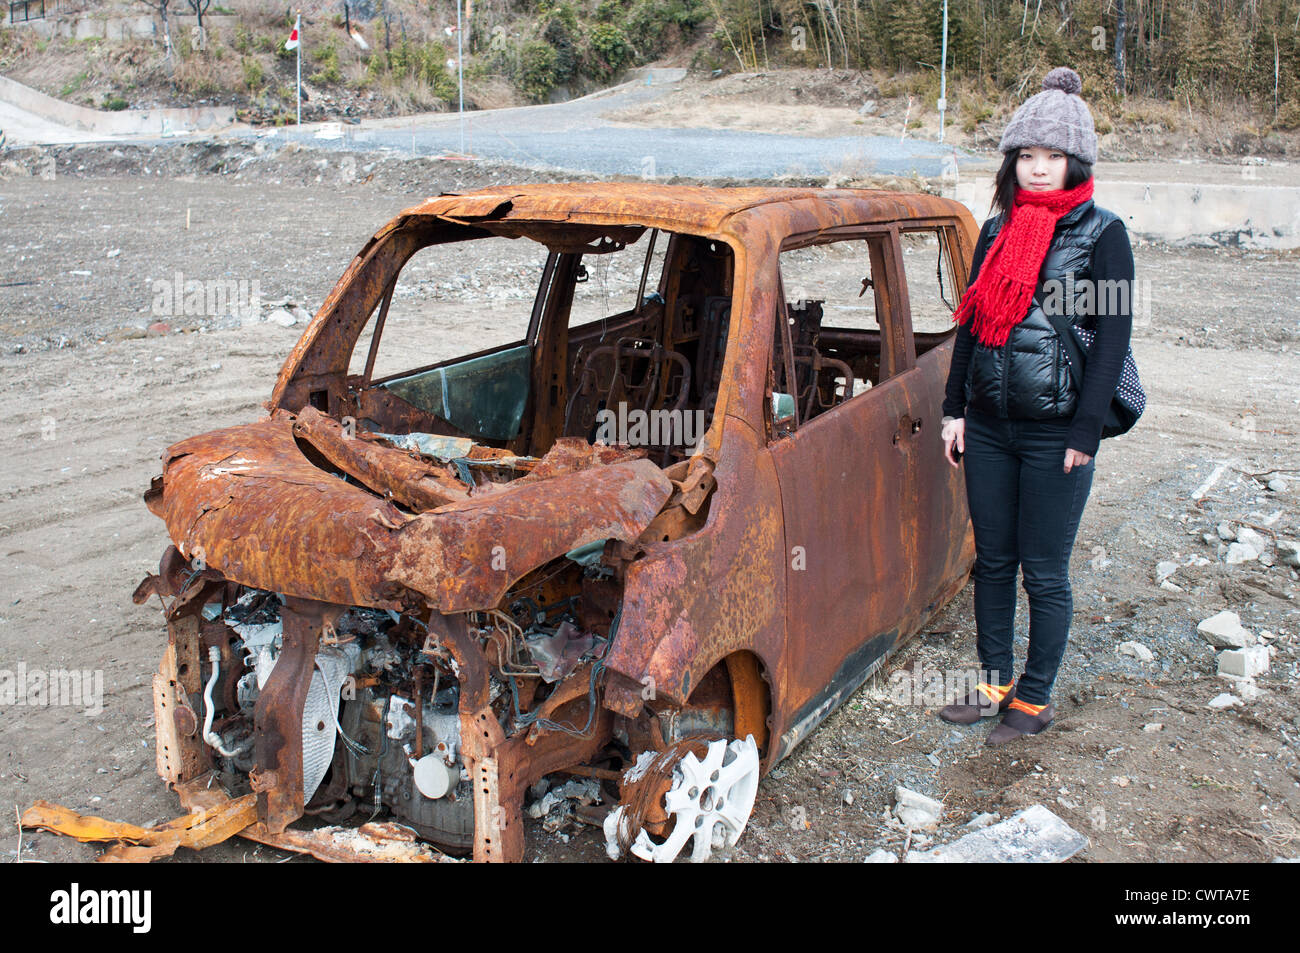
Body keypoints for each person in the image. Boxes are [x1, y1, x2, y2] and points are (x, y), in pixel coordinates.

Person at [937, 66, 1135, 745]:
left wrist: (1087, 428)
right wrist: (953, 407)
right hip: (990, 426)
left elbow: (1113, 337)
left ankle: (1036, 696)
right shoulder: (995, 232)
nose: (1040, 168)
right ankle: (993, 682)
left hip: (1058, 434)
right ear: (1014, 160)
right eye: (1028, 154)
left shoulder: (1102, 233)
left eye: (1052, 156)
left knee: (1043, 570)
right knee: (992, 561)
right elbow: (971, 323)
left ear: (1075, 160)